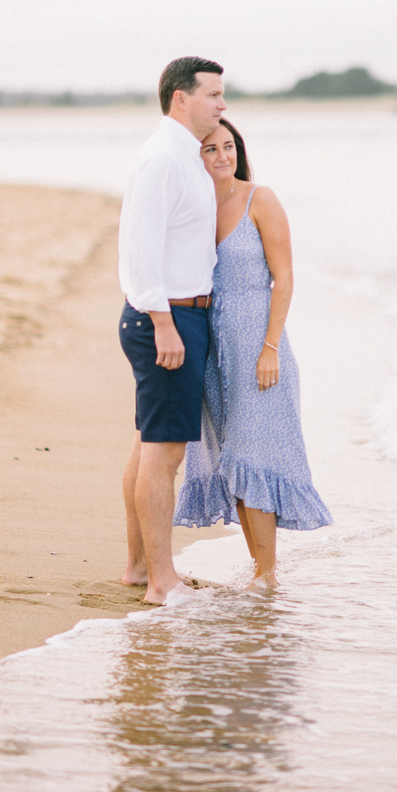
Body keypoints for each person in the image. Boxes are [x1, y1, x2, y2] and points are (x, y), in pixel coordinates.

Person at [174, 118, 332, 588]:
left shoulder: (260, 198)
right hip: (211, 350)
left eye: (228, 146)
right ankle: (261, 570)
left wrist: (270, 348)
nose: (223, 156)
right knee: (233, 460)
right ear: (195, 157)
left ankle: (267, 575)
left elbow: (283, 277)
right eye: (210, 149)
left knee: (253, 456)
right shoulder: (197, 207)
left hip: (258, 347)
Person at [118, 56, 226, 606]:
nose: (222, 104)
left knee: (150, 445)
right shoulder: (163, 158)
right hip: (167, 316)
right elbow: (140, 251)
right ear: (180, 98)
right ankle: (163, 583)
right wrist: (164, 322)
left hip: (178, 315)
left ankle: (140, 569)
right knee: (164, 453)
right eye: (212, 94)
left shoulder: (185, 157)